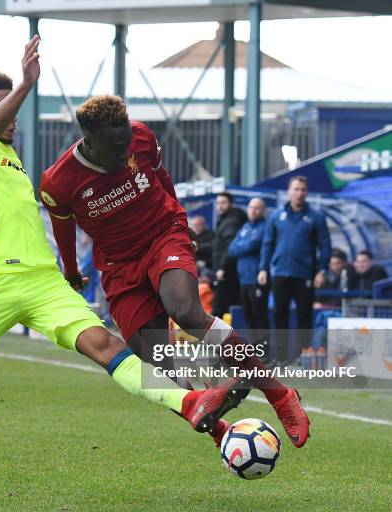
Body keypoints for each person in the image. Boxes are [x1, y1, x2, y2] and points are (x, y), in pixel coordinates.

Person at [0, 37, 248, 492]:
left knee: (109, 347)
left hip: (43, 283)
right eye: (1, 108)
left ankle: (198, 406)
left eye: (13, 107)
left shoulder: (13, 160)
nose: (12, 117)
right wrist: (25, 84)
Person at [40, 94, 310, 450]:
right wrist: (72, 272)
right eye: (115, 147)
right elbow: (63, 230)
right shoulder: (57, 183)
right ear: (89, 141)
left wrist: (181, 219)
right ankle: (219, 430)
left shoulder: (140, 136)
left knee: (186, 310)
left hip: (161, 234)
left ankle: (279, 394)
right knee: (158, 369)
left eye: (126, 144)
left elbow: (160, 176)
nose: (125, 153)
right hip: (119, 265)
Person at [258, 175, 331, 363]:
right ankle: (281, 358)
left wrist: (322, 271)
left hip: (305, 274)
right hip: (280, 273)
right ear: (289, 192)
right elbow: (267, 244)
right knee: (279, 315)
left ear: (307, 192)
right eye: (296, 189)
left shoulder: (316, 217)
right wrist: (263, 268)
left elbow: (325, 246)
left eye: (303, 190)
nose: (299, 193)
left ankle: (302, 357)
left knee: (304, 317)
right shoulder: (276, 216)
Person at [227, 197, 269, 341]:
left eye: (257, 208)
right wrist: (246, 246)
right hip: (243, 278)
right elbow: (232, 250)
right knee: (249, 317)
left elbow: (254, 244)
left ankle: (264, 352)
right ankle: (254, 350)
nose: (253, 210)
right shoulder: (245, 227)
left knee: (259, 317)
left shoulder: (265, 227)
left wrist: (244, 246)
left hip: (257, 278)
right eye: (251, 207)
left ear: (263, 211)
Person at [211, 192, 247, 318]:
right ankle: (226, 338)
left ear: (230, 204)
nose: (220, 206)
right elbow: (218, 246)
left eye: (223, 203)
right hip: (229, 272)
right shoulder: (225, 221)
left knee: (218, 309)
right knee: (227, 309)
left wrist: (222, 268)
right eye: (218, 203)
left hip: (226, 273)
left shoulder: (231, 221)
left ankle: (215, 338)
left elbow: (229, 247)